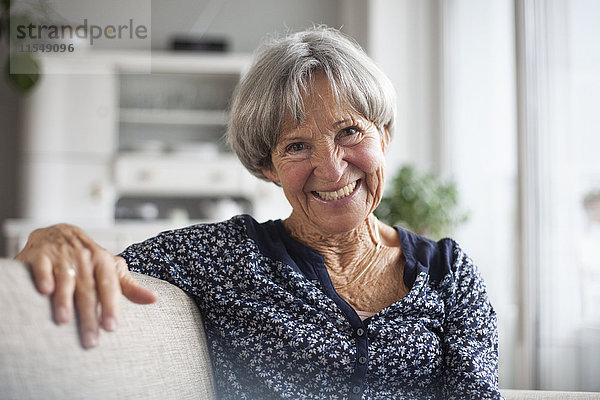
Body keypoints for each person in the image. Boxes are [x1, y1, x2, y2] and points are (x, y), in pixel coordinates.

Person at [15, 26, 502, 399]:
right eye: (296, 146)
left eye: (350, 131)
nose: (331, 169)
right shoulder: (225, 257)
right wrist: (52, 236)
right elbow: (104, 265)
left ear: (384, 136)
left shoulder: (448, 273)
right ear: (267, 167)